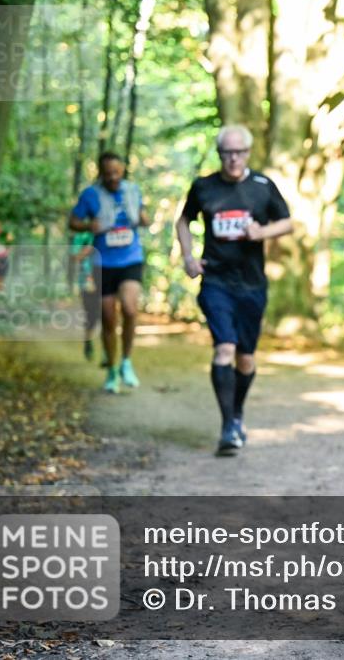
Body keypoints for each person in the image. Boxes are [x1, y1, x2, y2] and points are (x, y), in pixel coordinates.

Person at [175, 125, 294, 457]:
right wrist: (187, 256)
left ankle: (237, 413)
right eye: (227, 153)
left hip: (252, 284)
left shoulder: (262, 186)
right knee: (224, 349)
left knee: (245, 358)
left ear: (248, 153)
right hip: (216, 281)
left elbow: (288, 222)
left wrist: (262, 232)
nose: (233, 159)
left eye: (239, 152)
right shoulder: (204, 187)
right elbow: (183, 221)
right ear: (219, 154)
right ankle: (228, 427)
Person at [70, 152, 149, 393]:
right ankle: (112, 370)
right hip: (103, 263)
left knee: (129, 308)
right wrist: (87, 226)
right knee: (108, 318)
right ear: (101, 173)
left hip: (131, 259)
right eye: (108, 174)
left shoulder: (133, 190)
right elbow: (73, 222)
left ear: (123, 169)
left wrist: (144, 219)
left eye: (117, 172)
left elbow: (142, 215)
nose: (113, 177)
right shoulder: (90, 195)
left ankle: (126, 361)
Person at [70, 231, 102, 362]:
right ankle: (88, 342)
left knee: (107, 312)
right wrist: (89, 248)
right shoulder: (82, 235)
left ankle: (107, 351)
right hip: (88, 279)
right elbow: (74, 256)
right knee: (92, 315)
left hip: (107, 275)